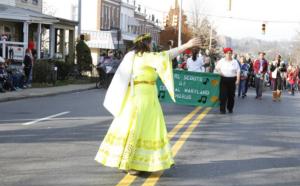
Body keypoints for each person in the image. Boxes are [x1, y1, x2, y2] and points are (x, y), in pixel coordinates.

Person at [94, 34, 201, 175]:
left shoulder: (131, 56)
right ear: (145, 44)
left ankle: (136, 161)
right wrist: (186, 46)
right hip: (142, 98)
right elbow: (166, 55)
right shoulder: (144, 57)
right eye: (150, 43)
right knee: (139, 128)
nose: (152, 46)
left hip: (141, 97)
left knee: (137, 128)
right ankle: (130, 162)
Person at [214, 48, 240, 114]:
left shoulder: (235, 61)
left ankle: (230, 108)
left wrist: (238, 80)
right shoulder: (221, 61)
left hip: (232, 80)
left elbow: (238, 71)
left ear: (231, 54)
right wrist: (220, 72)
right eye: (227, 53)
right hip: (223, 79)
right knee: (223, 96)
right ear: (225, 54)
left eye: (230, 53)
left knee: (231, 96)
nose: (229, 54)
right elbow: (216, 68)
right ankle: (222, 109)